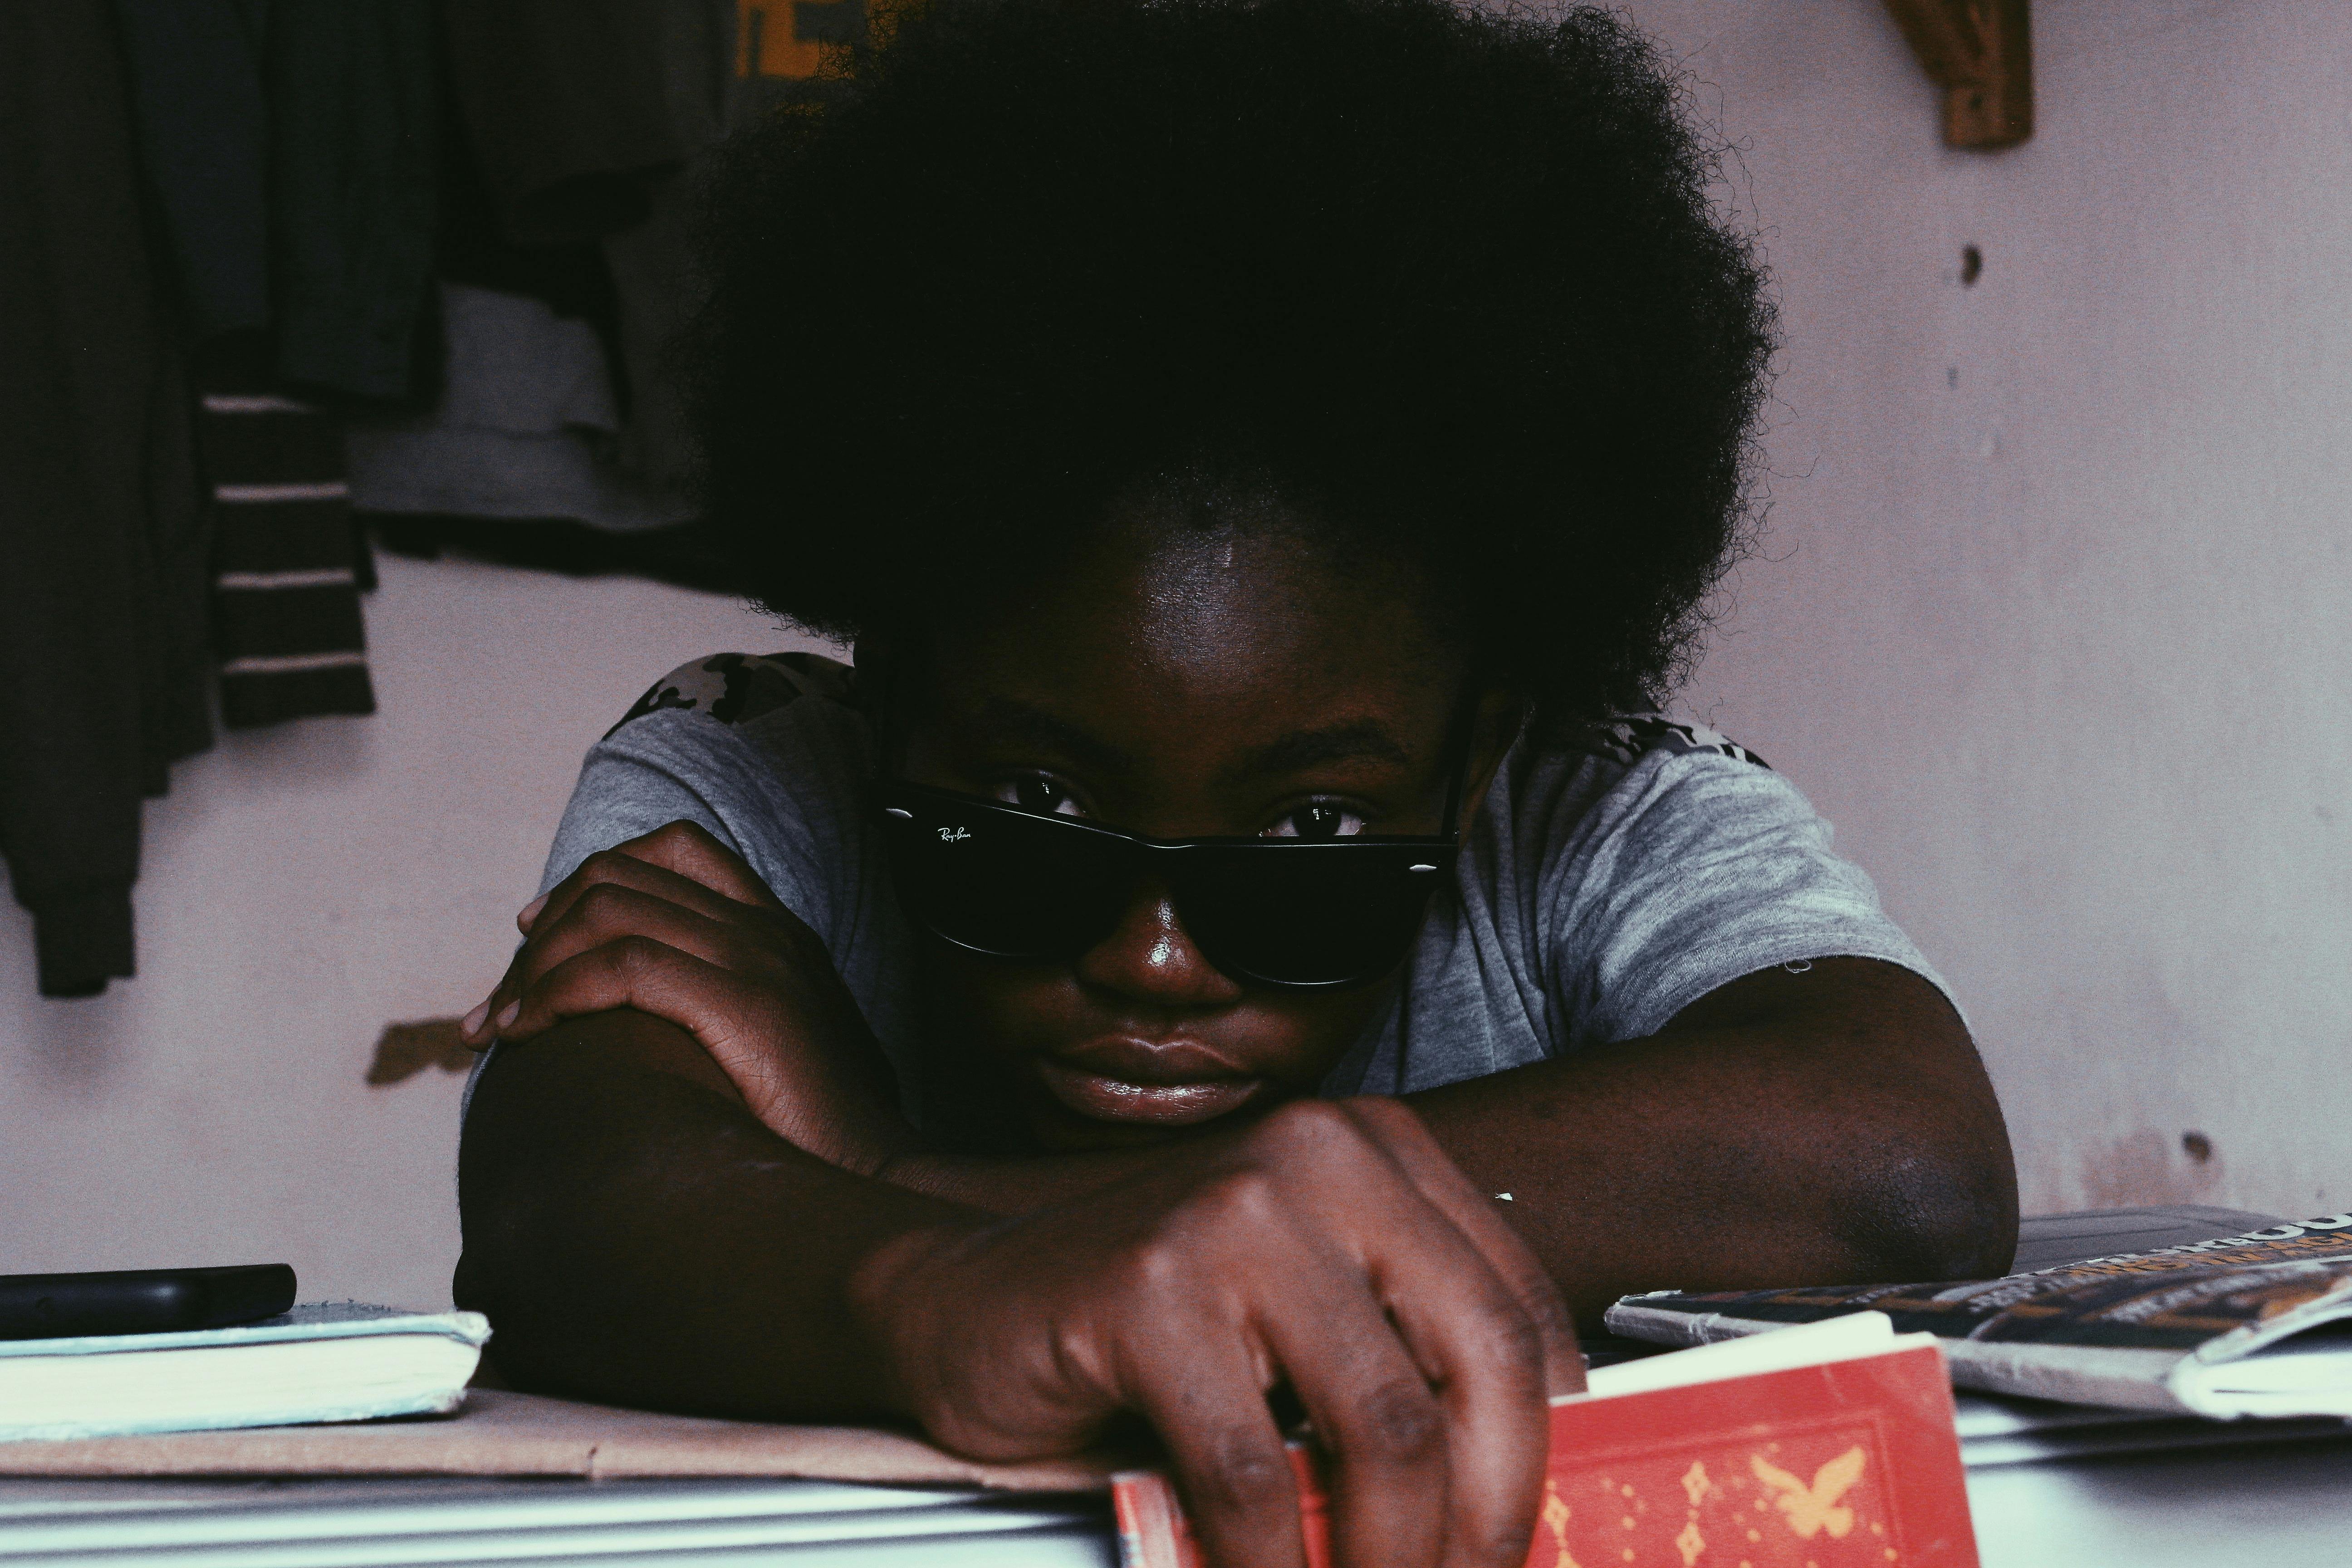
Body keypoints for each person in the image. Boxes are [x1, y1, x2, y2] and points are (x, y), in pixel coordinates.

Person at [453, 2, 2018, 1565]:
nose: (1152, 962)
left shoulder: (1597, 810)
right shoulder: (742, 770)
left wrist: (899, 1184)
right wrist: (948, 1295)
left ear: (1478, 763)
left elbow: (1903, 1170)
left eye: (1311, 841)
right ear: (896, 700)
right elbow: (557, 1213)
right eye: (1036, 818)